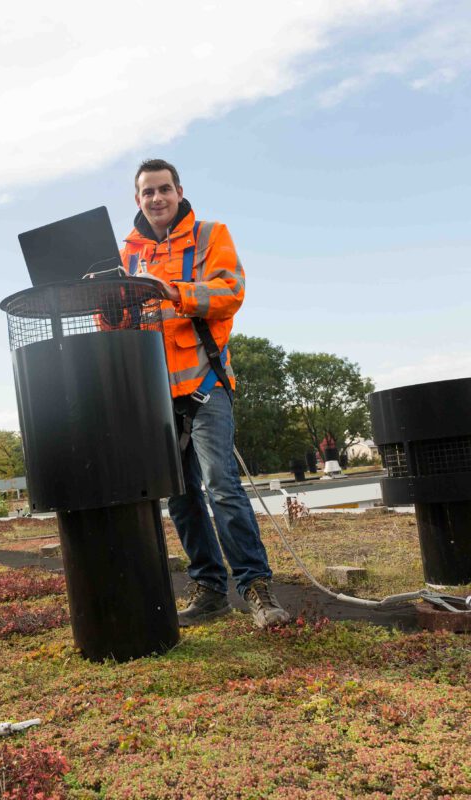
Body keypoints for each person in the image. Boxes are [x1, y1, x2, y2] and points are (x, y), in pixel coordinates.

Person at [121, 158, 290, 629]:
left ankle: (256, 589)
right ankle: (210, 589)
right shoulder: (126, 254)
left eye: (163, 189)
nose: (156, 198)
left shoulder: (211, 234)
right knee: (180, 495)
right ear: (137, 200)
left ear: (179, 191)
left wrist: (172, 291)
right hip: (156, 395)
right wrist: (104, 303)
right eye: (147, 192)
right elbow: (118, 325)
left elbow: (229, 292)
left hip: (206, 385)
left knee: (221, 486)